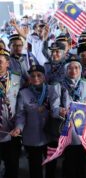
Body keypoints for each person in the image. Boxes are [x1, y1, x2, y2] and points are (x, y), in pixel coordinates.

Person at [50, 57, 86, 178]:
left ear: (80, 69)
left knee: (81, 159)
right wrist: (60, 111)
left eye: (76, 67)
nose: (73, 70)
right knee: (69, 160)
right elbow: (53, 108)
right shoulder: (58, 85)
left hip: (82, 128)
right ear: (65, 70)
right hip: (66, 128)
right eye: (70, 68)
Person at [11, 65, 51, 178]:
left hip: (50, 134)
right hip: (32, 135)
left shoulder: (51, 90)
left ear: (44, 77)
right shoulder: (24, 93)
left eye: (39, 75)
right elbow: (20, 114)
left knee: (51, 164)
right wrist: (19, 127)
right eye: (32, 76)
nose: (36, 78)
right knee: (35, 166)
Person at [0, 48, 21, 178]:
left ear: (7, 63)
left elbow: (22, 102)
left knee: (12, 163)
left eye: (0, 61)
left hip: (13, 130)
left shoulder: (17, 78)